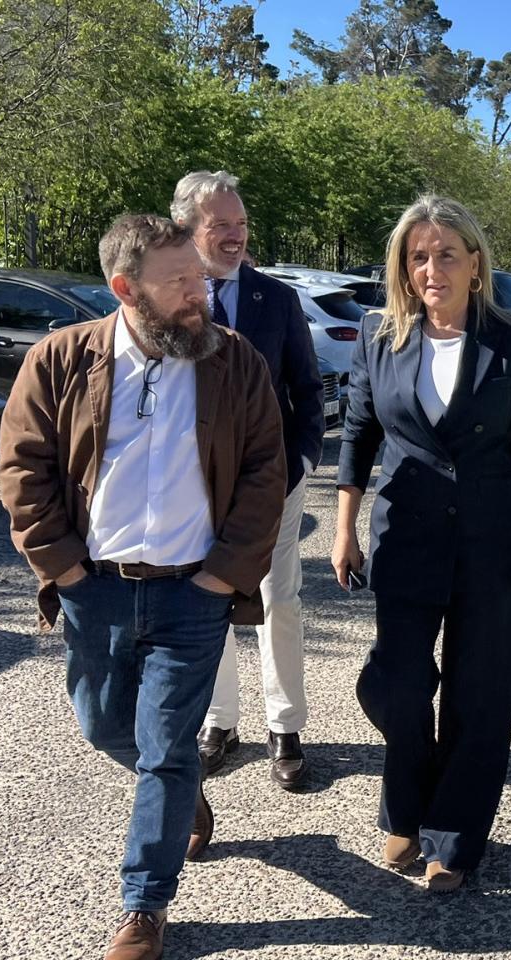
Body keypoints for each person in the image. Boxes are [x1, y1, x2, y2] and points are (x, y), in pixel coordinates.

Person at [0, 214, 286, 960]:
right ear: (125, 289)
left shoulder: (236, 362)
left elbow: (265, 474)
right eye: (180, 283)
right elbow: (23, 470)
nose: (202, 293)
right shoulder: (62, 360)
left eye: (200, 276)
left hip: (194, 591)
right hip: (93, 588)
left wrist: (223, 574)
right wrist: (62, 568)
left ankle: (143, 907)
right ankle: (185, 793)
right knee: (102, 726)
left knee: (164, 746)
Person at [330, 194, 511, 893]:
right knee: (397, 681)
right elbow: (358, 435)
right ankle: (408, 804)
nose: (433, 269)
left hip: (495, 534)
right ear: (405, 265)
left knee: (480, 690)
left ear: (475, 262)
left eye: (447, 255)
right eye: (419, 256)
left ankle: (454, 838)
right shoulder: (379, 334)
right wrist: (343, 526)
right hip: (406, 534)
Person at [173, 171, 325, 792]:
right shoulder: (167, 298)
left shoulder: (276, 300)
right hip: (191, 486)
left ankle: (285, 728)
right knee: (203, 600)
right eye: (221, 226)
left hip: (272, 482)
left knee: (277, 599)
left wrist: (303, 466)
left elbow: (309, 391)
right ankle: (219, 723)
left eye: (241, 225)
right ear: (188, 229)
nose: (236, 237)